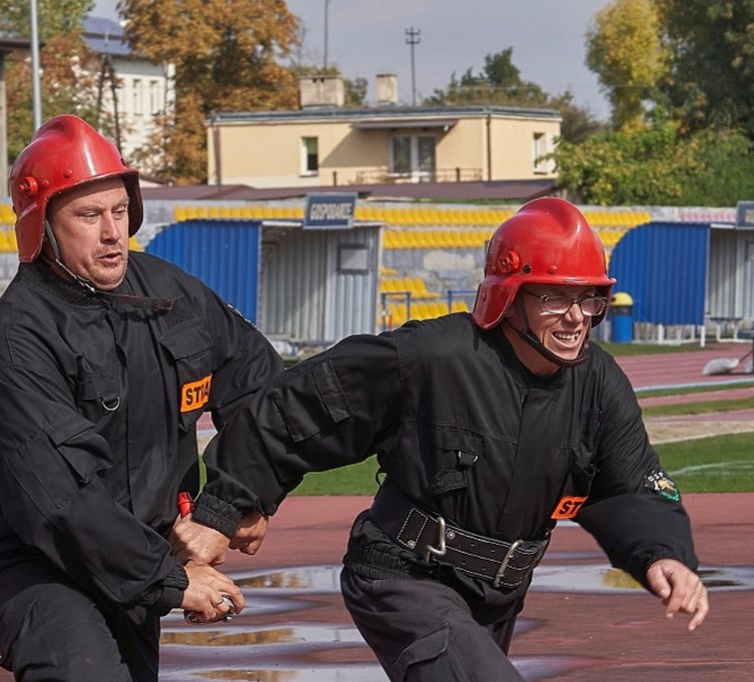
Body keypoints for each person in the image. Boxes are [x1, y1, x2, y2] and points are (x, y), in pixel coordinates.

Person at [172, 197, 710, 681]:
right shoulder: (430, 358)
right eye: (554, 298)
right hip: (402, 578)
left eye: (590, 299)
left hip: (496, 596)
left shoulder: (599, 382)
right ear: (509, 295)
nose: (575, 318)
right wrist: (225, 510)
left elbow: (628, 483)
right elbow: (294, 411)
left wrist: (663, 553)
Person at [0, 114, 283, 681]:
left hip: (136, 558)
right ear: (41, 225)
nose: (112, 232)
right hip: (34, 564)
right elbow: (60, 502)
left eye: (120, 210)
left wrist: (238, 503)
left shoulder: (171, 294)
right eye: (89, 215)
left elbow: (262, 386)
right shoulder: (16, 340)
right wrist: (171, 580)